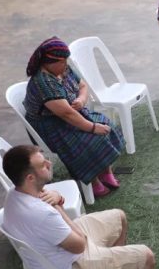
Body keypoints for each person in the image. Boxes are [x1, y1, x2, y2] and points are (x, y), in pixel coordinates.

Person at [1, 145, 159, 269]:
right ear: (30, 177)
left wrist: (57, 198)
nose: (48, 163)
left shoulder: (16, 192)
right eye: (42, 164)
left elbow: (53, 205)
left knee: (119, 217)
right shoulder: (42, 212)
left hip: (58, 250)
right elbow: (80, 243)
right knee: (146, 257)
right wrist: (57, 205)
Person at [23, 37, 124, 199]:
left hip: (72, 114)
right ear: (49, 62)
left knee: (107, 125)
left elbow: (83, 85)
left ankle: (106, 171)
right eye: (62, 61)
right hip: (51, 125)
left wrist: (81, 100)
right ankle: (92, 180)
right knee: (87, 141)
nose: (66, 64)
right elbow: (66, 114)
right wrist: (92, 127)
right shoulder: (43, 83)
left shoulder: (62, 69)